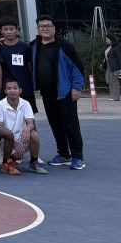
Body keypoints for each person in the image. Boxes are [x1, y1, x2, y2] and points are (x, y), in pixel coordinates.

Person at [31, 15, 85, 169]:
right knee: (56, 125)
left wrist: (76, 88)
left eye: (48, 25)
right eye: (42, 26)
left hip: (65, 92)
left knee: (71, 125)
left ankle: (77, 157)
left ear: (54, 28)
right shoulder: (35, 45)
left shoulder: (64, 45)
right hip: (47, 94)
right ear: (38, 29)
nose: (45, 28)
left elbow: (78, 67)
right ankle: (63, 154)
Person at [0, 80, 48, 174]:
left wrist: (27, 128)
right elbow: (0, 128)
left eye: (15, 88)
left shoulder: (26, 103)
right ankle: (8, 161)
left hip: (22, 138)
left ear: (20, 90)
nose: (12, 91)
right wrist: (14, 143)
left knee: (33, 134)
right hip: (6, 140)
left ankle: (34, 162)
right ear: (5, 91)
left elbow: (30, 123)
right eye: (9, 88)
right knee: (18, 155)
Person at [0, 18, 37, 111]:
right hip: (7, 89)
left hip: (25, 88)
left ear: (16, 30)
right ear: (1, 31)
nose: (9, 32)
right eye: (5, 29)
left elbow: (30, 66)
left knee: (28, 117)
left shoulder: (26, 47)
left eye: (11, 29)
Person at [106, 35, 121, 101]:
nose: (106, 41)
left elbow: (119, 58)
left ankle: (116, 97)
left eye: (107, 39)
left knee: (114, 82)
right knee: (108, 80)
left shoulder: (116, 48)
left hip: (115, 67)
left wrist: (120, 69)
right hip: (109, 66)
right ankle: (113, 96)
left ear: (111, 40)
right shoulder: (109, 47)